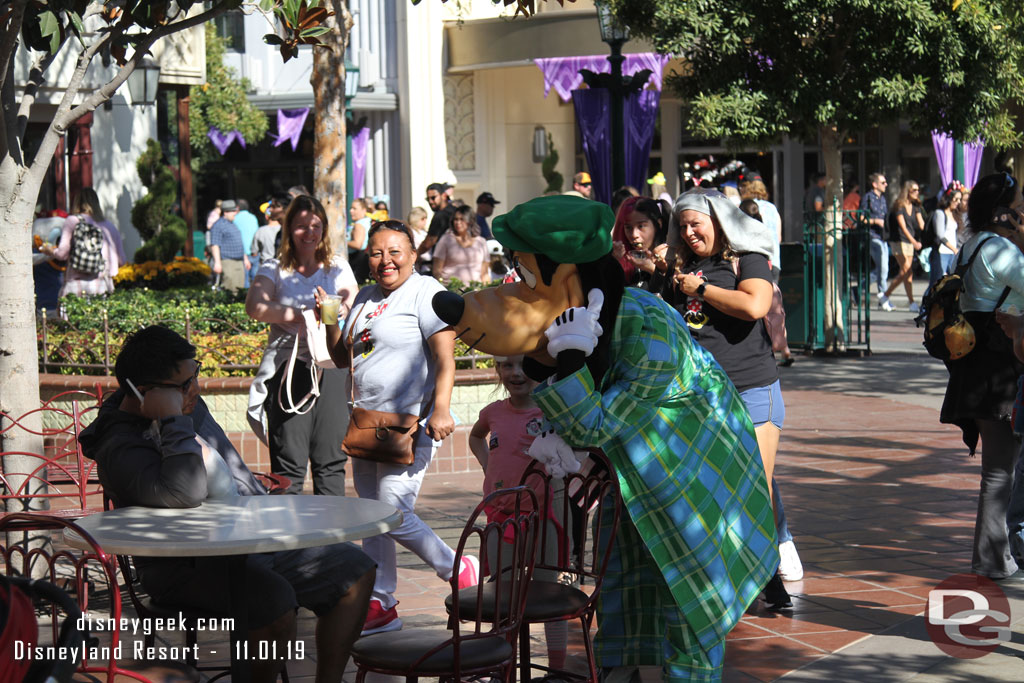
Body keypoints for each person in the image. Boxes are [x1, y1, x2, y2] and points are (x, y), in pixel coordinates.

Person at [79, 325, 376, 683]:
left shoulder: (184, 401)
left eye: (196, 375)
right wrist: (174, 419)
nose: (196, 389)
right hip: (183, 566)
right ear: (144, 393)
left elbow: (231, 475)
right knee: (273, 601)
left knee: (354, 568)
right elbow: (183, 493)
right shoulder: (120, 446)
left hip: (246, 543)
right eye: (185, 384)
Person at [319, 220, 479, 636]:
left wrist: (441, 410)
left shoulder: (426, 293)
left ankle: (457, 567)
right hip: (369, 424)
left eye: (395, 251)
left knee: (390, 511)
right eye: (376, 252)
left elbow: (446, 359)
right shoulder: (366, 298)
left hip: (412, 424)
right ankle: (382, 600)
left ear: (412, 253)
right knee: (374, 517)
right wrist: (332, 317)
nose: (385, 260)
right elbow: (342, 359)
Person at [667, 187, 801, 606]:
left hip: (752, 386)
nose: (689, 232)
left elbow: (755, 305)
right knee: (714, 490)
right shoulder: (684, 267)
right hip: (703, 394)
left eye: (696, 223)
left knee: (752, 488)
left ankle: (769, 578)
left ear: (718, 221)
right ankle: (729, 579)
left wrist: (700, 288)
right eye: (682, 226)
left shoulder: (747, 257)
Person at [245, 195, 358, 496]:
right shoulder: (274, 267)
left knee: (331, 462)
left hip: (331, 366)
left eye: (315, 225)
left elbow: (352, 300)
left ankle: (333, 541)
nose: (309, 233)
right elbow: (255, 306)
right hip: (288, 369)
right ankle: (289, 542)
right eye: (300, 226)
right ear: (288, 229)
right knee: (288, 468)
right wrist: (304, 315)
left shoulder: (337, 266)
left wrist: (332, 312)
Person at [942, 172, 1024, 580]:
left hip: (971, 367)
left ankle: (994, 555)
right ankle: (992, 558)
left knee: (999, 465)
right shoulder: (1003, 251)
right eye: (1018, 203)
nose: (1022, 209)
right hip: (997, 369)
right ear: (1002, 211)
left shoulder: (969, 247)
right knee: (1000, 468)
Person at [468, 354, 569, 670]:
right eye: (507, 365)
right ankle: (504, 667)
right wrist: (487, 464)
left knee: (550, 595)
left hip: (543, 519)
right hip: (500, 519)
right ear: (497, 369)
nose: (516, 373)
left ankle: (556, 669)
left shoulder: (551, 412)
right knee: (503, 598)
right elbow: (475, 436)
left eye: (524, 364)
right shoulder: (493, 413)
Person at [44, 187, 126, 298]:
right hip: (103, 286)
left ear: (77, 202)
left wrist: (50, 250)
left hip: (76, 285)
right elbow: (121, 261)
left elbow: (61, 254)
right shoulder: (109, 226)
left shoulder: (73, 221)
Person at [610, 196, 670, 293]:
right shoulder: (622, 256)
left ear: (658, 224)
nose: (634, 235)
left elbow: (674, 297)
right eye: (628, 228)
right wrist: (614, 264)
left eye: (641, 226)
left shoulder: (671, 256)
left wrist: (653, 269)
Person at [881, 180, 925, 312]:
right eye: (914, 190)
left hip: (909, 241)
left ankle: (888, 296)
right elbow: (903, 227)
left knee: (907, 273)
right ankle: (890, 297)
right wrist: (914, 242)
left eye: (918, 190)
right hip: (899, 241)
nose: (917, 193)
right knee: (907, 270)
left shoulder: (915, 206)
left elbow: (921, 224)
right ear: (907, 191)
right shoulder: (899, 205)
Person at [432, 205, 490, 284]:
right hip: (451, 290)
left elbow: (485, 273)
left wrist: (486, 290)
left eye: (462, 219)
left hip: (475, 291)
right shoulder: (446, 240)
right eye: (455, 219)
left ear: (470, 221)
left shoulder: (481, 242)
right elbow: (436, 270)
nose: (458, 223)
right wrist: (442, 285)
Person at [740, 178, 783, 281]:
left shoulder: (745, 206)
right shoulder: (772, 208)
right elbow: (778, 237)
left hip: (752, 261)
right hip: (774, 259)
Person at [860, 173, 891, 309]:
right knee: (883, 267)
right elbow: (861, 218)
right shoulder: (868, 198)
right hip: (872, 236)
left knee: (882, 268)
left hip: (882, 236)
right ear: (875, 184)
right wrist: (875, 221)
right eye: (883, 182)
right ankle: (882, 296)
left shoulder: (883, 199)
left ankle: (860, 287)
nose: (886, 185)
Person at [927, 184, 964, 289]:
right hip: (941, 252)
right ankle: (926, 305)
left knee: (951, 283)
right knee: (936, 283)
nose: (958, 202)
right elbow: (940, 235)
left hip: (952, 254)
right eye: (956, 199)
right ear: (949, 198)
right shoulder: (939, 213)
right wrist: (954, 249)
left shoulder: (954, 214)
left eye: (960, 199)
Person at [209, 199, 249, 291]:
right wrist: (217, 263)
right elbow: (215, 245)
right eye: (233, 211)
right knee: (230, 288)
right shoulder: (218, 225)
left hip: (239, 261)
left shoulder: (232, 224)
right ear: (225, 212)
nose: (235, 213)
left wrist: (245, 258)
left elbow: (239, 242)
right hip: (227, 262)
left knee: (240, 289)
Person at [416, 182, 456, 257]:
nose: (430, 202)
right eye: (428, 199)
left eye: (433, 198)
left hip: (445, 261)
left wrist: (416, 255)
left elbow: (429, 241)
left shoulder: (440, 215)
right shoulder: (456, 211)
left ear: (444, 196)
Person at [252, 192, 290, 268]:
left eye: (273, 207)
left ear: (285, 209)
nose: (270, 210)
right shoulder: (281, 231)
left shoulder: (293, 230)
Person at [235, 199, 261, 288]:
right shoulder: (253, 217)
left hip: (242, 253)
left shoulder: (235, 218)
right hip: (255, 252)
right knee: (256, 281)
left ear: (237, 207)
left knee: (245, 281)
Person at [347, 197, 372, 283]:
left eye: (354, 209)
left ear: (364, 210)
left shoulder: (359, 225)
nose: (351, 211)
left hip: (357, 260)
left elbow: (358, 244)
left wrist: (343, 242)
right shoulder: (367, 221)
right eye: (351, 208)